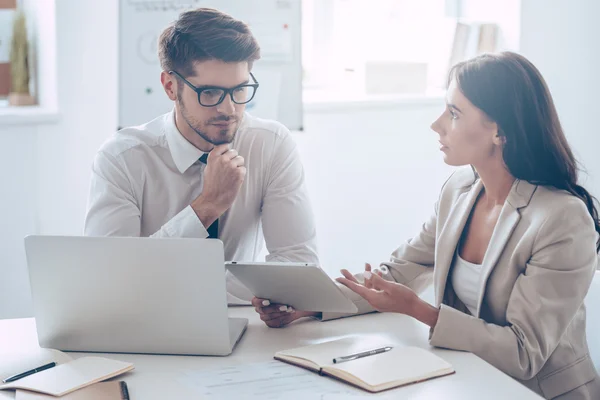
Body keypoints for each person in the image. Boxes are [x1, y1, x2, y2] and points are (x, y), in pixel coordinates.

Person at [327, 52, 599, 399]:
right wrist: (310, 303)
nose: (437, 124)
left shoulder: (562, 219)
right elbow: (398, 274)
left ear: (499, 130)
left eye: (454, 113)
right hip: (471, 380)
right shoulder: (459, 190)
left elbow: (523, 353)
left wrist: (418, 310)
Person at [84, 8, 319, 308]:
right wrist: (207, 206)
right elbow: (110, 282)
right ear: (171, 86)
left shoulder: (270, 144)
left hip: (245, 330)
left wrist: (160, 284)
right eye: (209, 93)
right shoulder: (121, 159)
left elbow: (299, 266)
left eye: (240, 90)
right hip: (148, 331)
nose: (229, 109)